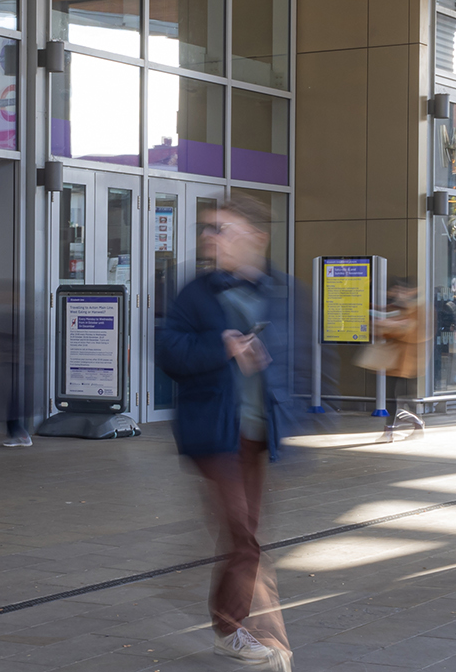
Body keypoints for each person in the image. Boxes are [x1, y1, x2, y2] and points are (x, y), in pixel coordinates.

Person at [155, 196, 302, 672]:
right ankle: (231, 630)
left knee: (246, 532)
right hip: (213, 433)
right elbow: (170, 353)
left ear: (255, 237)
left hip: (260, 434)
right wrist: (220, 346)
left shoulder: (281, 292)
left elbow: (304, 359)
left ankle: (231, 626)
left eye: (221, 229)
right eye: (208, 229)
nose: (209, 238)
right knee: (242, 533)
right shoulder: (196, 293)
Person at [363, 279, 426, 442]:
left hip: (410, 363)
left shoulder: (419, 309)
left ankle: (417, 425)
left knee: (406, 397)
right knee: (392, 397)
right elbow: (383, 332)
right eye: (396, 291)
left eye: (402, 291)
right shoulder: (394, 309)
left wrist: (399, 327)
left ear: (411, 291)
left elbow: (419, 334)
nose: (398, 294)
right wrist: (385, 326)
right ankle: (389, 431)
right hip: (394, 362)